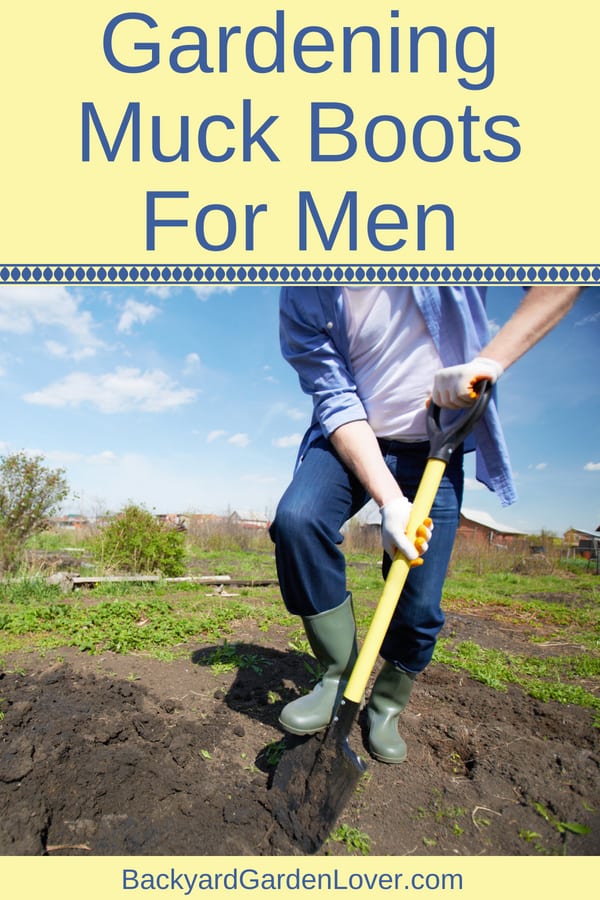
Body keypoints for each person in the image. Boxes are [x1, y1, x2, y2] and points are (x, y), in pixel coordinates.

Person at [269, 284, 580, 764]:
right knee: (298, 521)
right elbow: (333, 398)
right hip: (352, 440)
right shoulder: (303, 292)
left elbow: (564, 272)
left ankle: (387, 706)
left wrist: (490, 362)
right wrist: (391, 502)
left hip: (436, 445)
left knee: (419, 600)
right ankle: (337, 676)